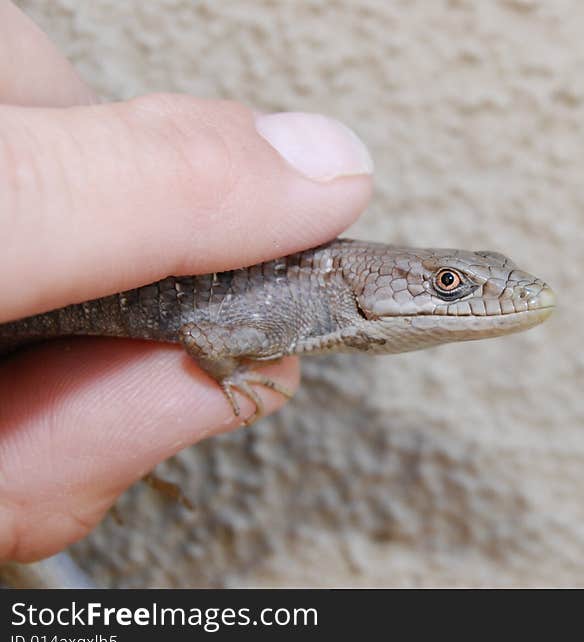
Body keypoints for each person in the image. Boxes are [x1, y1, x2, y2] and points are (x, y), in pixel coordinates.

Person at [0, 1, 374, 564]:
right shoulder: (291, 307)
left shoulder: (305, 298)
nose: (468, 301)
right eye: (448, 284)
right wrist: (228, 374)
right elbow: (205, 336)